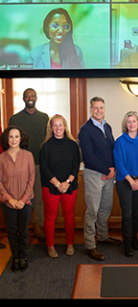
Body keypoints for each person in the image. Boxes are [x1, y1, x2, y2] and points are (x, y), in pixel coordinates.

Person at [78, 96, 121, 261]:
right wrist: (106, 170)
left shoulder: (107, 126)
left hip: (109, 175)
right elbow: (88, 156)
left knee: (105, 208)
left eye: (101, 108)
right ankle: (90, 245)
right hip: (94, 175)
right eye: (95, 108)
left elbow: (112, 149)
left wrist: (113, 169)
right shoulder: (85, 130)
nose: (99, 111)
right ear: (90, 109)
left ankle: (102, 236)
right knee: (93, 211)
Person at [9, 88, 49, 243]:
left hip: (39, 164)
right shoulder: (15, 118)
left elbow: (48, 139)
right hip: (20, 165)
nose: (30, 98)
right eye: (27, 96)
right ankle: (21, 227)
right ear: (23, 99)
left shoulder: (44, 117)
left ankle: (38, 225)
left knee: (38, 197)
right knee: (20, 197)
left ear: (36, 98)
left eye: (32, 96)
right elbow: (9, 142)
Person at [39, 114, 80, 258]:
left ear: (65, 127)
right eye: (55, 125)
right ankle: (50, 246)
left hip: (69, 186)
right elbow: (44, 168)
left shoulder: (73, 145)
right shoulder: (45, 147)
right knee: (50, 216)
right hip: (51, 186)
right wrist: (57, 184)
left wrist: (67, 182)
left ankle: (70, 244)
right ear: (51, 128)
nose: (58, 128)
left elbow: (76, 165)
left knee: (69, 215)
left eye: (60, 125)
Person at [113, 111, 138, 257]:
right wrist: (131, 180)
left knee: (136, 212)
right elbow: (119, 163)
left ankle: (134, 237)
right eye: (128, 122)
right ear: (125, 124)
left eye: (134, 121)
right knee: (127, 213)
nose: (131, 124)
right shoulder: (120, 141)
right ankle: (127, 242)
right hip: (124, 181)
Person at [0, 126, 35, 272]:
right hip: (8, 203)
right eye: (11, 137)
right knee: (12, 231)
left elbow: (31, 178)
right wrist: (10, 199)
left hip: (25, 202)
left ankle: (24, 257)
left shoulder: (28, 156)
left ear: (21, 138)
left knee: (24, 231)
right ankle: (15, 257)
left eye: (16, 136)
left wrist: (23, 199)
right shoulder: (1, 158)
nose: (14, 139)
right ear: (6, 139)